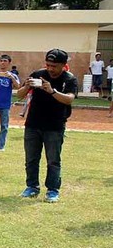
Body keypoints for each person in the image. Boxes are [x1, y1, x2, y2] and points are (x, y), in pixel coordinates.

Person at [15, 49, 77, 203]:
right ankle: (32, 186)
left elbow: (69, 99)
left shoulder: (69, 79)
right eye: (48, 65)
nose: (50, 69)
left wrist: (52, 91)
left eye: (54, 66)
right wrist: (27, 87)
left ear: (63, 65)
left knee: (53, 160)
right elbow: (19, 95)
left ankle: (52, 190)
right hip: (33, 124)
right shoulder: (38, 74)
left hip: (54, 126)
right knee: (31, 159)